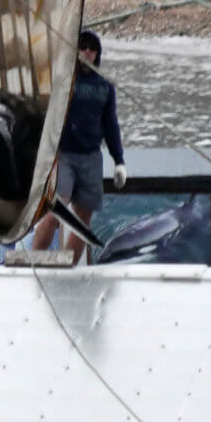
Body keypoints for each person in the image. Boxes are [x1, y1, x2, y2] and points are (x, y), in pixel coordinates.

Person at [31, 29, 127, 264]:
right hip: (62, 155)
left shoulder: (105, 87)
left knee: (83, 221)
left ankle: (68, 266)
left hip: (91, 157)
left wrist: (119, 161)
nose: (87, 52)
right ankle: (33, 260)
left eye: (92, 49)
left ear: (97, 54)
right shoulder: (60, 81)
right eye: (82, 47)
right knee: (56, 210)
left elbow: (111, 125)